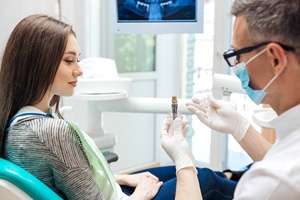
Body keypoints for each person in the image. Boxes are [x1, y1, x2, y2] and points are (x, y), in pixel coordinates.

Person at [0, 14, 238, 200]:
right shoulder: (51, 132)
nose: (79, 69)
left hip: (111, 190)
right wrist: (141, 194)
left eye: (78, 59)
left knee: (192, 172)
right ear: (38, 62)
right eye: (69, 60)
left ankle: (235, 176)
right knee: (206, 179)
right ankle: (257, 185)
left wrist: (123, 177)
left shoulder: (17, 120)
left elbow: (72, 179)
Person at [185, 0, 300, 199]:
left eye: (238, 54)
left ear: (275, 59)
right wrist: (240, 127)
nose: (236, 65)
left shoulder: (275, 182)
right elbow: (279, 155)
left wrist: (183, 163)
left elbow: (279, 173)